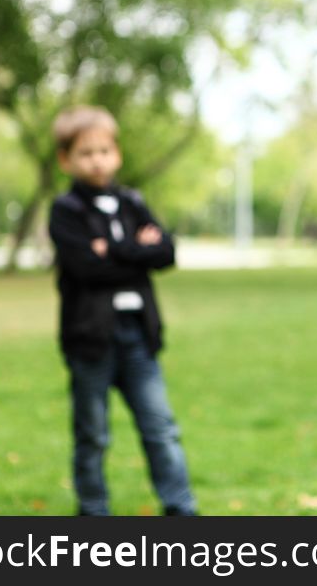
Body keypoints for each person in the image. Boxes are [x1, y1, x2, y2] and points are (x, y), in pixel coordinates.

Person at [48, 105, 197, 516]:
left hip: (138, 337)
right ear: (66, 159)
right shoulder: (66, 211)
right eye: (85, 152)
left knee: (160, 428)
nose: (97, 159)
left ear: (117, 153)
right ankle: (93, 511)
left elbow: (165, 252)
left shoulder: (132, 201)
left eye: (103, 150)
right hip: (91, 340)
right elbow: (86, 268)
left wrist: (112, 249)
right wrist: (137, 251)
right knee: (92, 435)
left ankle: (182, 509)